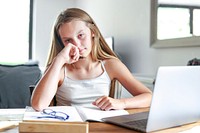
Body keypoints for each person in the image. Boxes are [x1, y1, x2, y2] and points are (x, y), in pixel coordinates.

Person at [31, 8, 152, 111]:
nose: (77, 44)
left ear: (92, 32)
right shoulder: (59, 68)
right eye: (68, 40)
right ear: (62, 43)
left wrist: (122, 103)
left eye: (80, 35)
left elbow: (148, 96)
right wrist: (59, 60)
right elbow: (38, 105)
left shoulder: (111, 65)